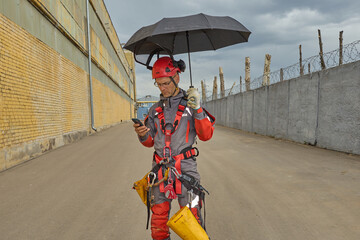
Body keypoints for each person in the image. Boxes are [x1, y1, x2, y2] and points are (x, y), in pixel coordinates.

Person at [133, 56, 215, 240]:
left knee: (192, 222)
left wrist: (199, 109)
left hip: (186, 170)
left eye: (165, 83)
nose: (162, 88)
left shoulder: (191, 105)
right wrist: (142, 133)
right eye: (158, 84)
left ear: (176, 78)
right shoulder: (154, 110)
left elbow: (206, 135)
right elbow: (149, 142)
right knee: (158, 222)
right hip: (160, 171)